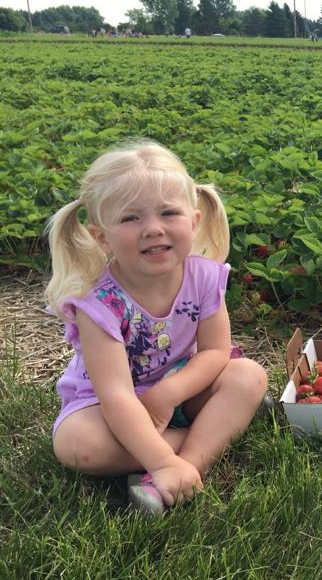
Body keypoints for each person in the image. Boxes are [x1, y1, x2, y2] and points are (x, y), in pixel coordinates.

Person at [45, 140, 268, 516]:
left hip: (180, 386)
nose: (153, 229)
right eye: (131, 218)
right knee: (77, 445)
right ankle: (184, 452)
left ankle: (188, 465)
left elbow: (215, 352)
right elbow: (116, 394)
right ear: (102, 236)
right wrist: (161, 457)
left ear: (194, 221)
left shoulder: (204, 276)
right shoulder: (98, 303)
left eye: (168, 213)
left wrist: (168, 395)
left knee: (248, 376)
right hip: (107, 405)